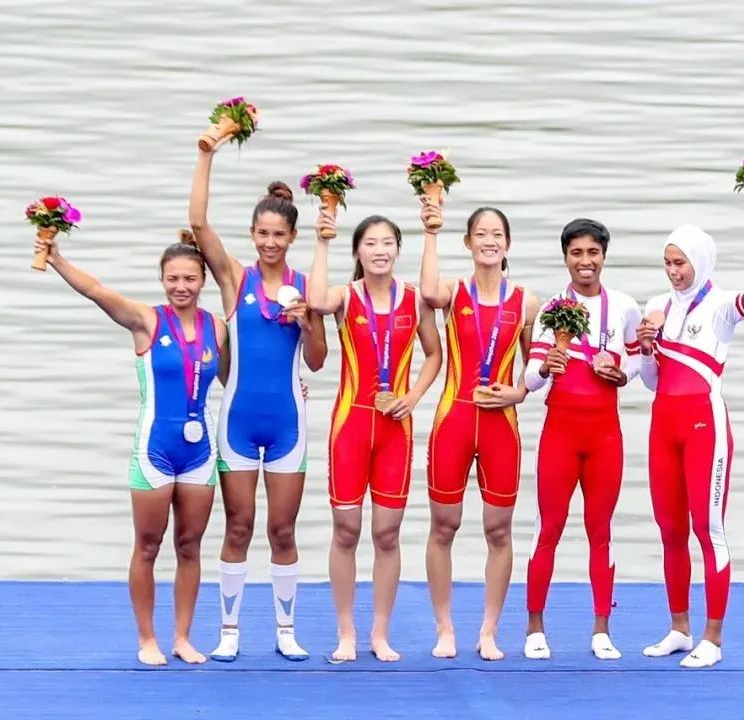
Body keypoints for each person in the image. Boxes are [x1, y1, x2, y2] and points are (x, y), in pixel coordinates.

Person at [35, 231, 224, 666]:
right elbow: (97, 291)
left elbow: (233, 382)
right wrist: (57, 259)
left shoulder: (217, 328)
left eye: (190, 278)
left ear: (203, 280)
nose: (181, 287)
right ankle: (147, 638)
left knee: (190, 546)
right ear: (162, 280)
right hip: (154, 451)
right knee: (148, 545)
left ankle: (182, 637)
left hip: (200, 453)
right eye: (173, 278)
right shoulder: (145, 320)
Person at [189, 139, 328, 662]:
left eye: (279, 235)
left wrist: (308, 320)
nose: (271, 242)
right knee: (240, 525)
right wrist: (207, 154)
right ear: (252, 234)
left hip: (288, 422)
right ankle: (229, 630)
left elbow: (318, 360)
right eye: (263, 234)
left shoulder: (305, 286)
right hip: (238, 422)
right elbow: (198, 223)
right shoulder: (235, 278)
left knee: (282, 530)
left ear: (292, 237)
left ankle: (286, 630)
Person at [637, 195, 744, 668]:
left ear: (699, 262)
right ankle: (679, 629)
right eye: (667, 263)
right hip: (663, 425)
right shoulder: (656, 307)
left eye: (680, 263)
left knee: (708, 528)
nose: (673, 272)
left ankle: (712, 638)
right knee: (670, 529)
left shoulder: (720, 306)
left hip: (705, 426)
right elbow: (651, 380)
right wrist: (647, 348)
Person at [308, 210, 442, 663]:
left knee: (387, 534)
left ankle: (379, 633)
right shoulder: (345, 298)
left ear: (398, 250)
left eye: (387, 243)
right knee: (346, 531)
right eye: (370, 243)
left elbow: (434, 354)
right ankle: (345, 632)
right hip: (350, 425)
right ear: (358, 252)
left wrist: (413, 396)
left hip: (394, 429)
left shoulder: (414, 300)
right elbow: (316, 300)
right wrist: (322, 240)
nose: (380, 251)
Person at [418, 201, 540, 661]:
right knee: (443, 526)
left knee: (498, 530)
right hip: (453, 420)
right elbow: (426, 291)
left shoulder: (526, 302)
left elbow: (533, 369)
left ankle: (489, 631)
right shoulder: (453, 293)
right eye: (481, 234)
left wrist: (518, 393)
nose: (489, 241)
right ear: (468, 242)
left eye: (497, 235)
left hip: (499, 427)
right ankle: (444, 628)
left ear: (508, 244)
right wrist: (431, 230)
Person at [523, 218, 642, 661]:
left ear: (604, 256)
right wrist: (546, 366)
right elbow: (530, 379)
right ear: (565, 258)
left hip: (605, 435)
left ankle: (601, 629)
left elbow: (638, 364)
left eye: (593, 252)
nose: (585, 261)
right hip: (560, 433)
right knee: (548, 528)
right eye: (577, 253)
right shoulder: (552, 309)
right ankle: (535, 627)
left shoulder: (625, 307)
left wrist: (622, 374)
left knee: (600, 530)